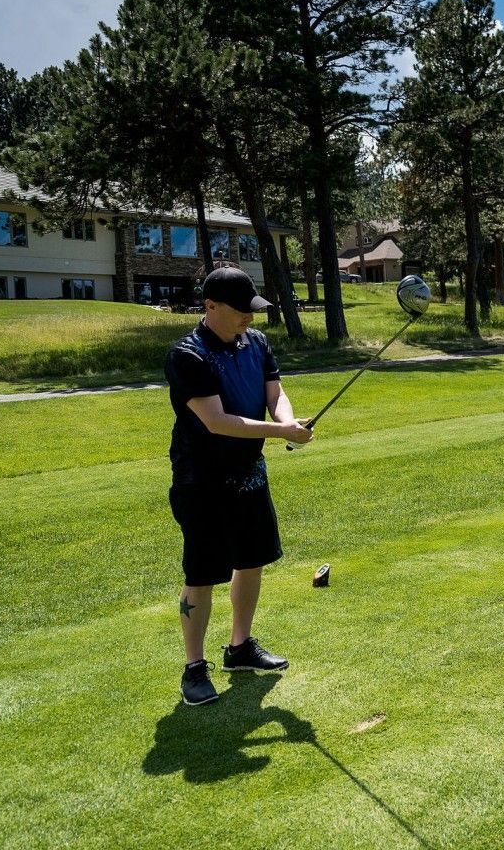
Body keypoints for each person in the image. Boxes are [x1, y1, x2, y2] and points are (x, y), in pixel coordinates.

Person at [165, 266, 314, 706]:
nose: (250, 318)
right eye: (241, 310)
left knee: (251, 561)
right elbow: (216, 421)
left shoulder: (257, 343)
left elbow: (275, 392)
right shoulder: (187, 355)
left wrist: (286, 421)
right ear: (210, 307)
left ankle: (240, 648)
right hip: (201, 479)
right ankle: (194, 667)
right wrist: (280, 434)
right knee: (203, 574)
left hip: (249, 473)